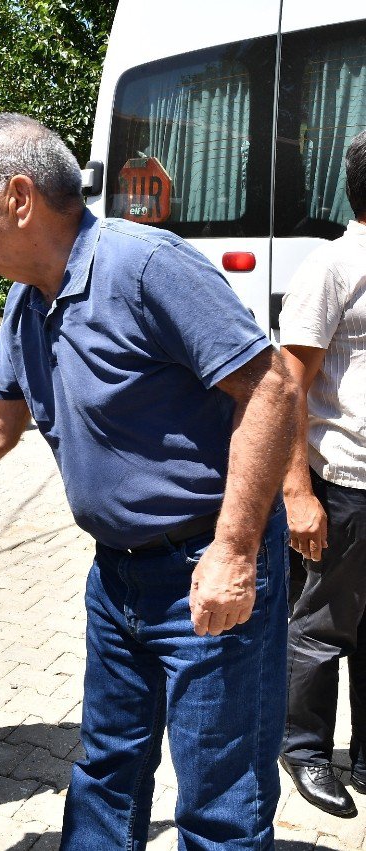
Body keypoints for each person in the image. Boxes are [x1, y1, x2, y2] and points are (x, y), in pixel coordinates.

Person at [0, 113, 298, 848]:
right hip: (116, 580)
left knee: (219, 798)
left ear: (19, 198)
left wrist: (237, 551)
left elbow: (272, 388)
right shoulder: (28, 297)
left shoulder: (146, 267)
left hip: (204, 568)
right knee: (106, 770)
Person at [277, 129, 366, 818]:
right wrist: (298, 491)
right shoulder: (331, 268)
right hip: (343, 483)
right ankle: (304, 748)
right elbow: (289, 390)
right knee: (321, 624)